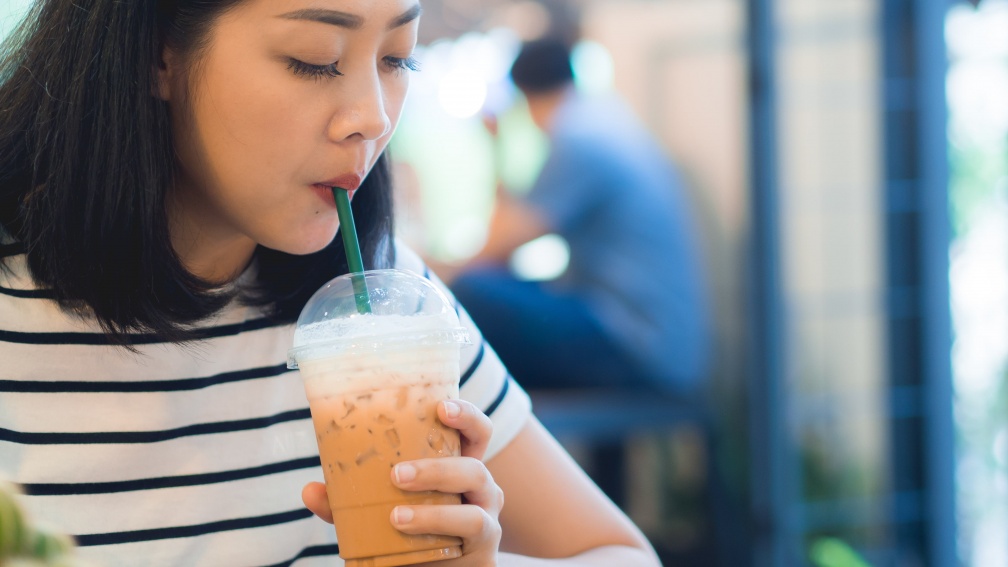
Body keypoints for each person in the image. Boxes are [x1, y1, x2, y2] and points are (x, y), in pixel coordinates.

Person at [0, 2, 661, 566]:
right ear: (158, 53)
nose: (372, 118)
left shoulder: (390, 307)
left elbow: (622, 553)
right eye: (315, 59)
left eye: (398, 58)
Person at [450, 38, 711, 395]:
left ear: (524, 96)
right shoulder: (605, 120)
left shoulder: (579, 139)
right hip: (662, 341)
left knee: (470, 292)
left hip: (637, 343)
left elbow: (495, 251)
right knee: (504, 293)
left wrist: (496, 146)